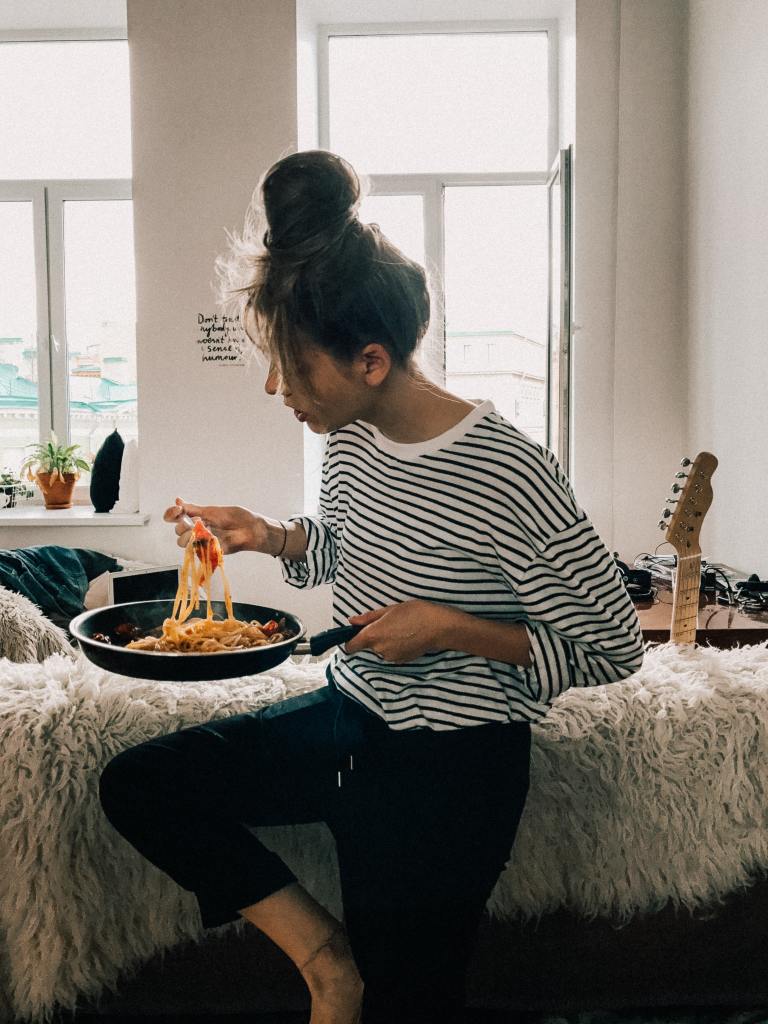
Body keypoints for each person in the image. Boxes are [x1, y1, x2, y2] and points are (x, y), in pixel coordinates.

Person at [98, 150, 645, 1024]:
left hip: (451, 774)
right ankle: (328, 965)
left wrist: (447, 629)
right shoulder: (348, 440)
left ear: (372, 360)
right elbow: (341, 552)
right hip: (348, 718)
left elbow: (614, 648)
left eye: (294, 366)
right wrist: (269, 536)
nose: (279, 389)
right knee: (144, 785)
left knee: (413, 1006)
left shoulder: (508, 470)